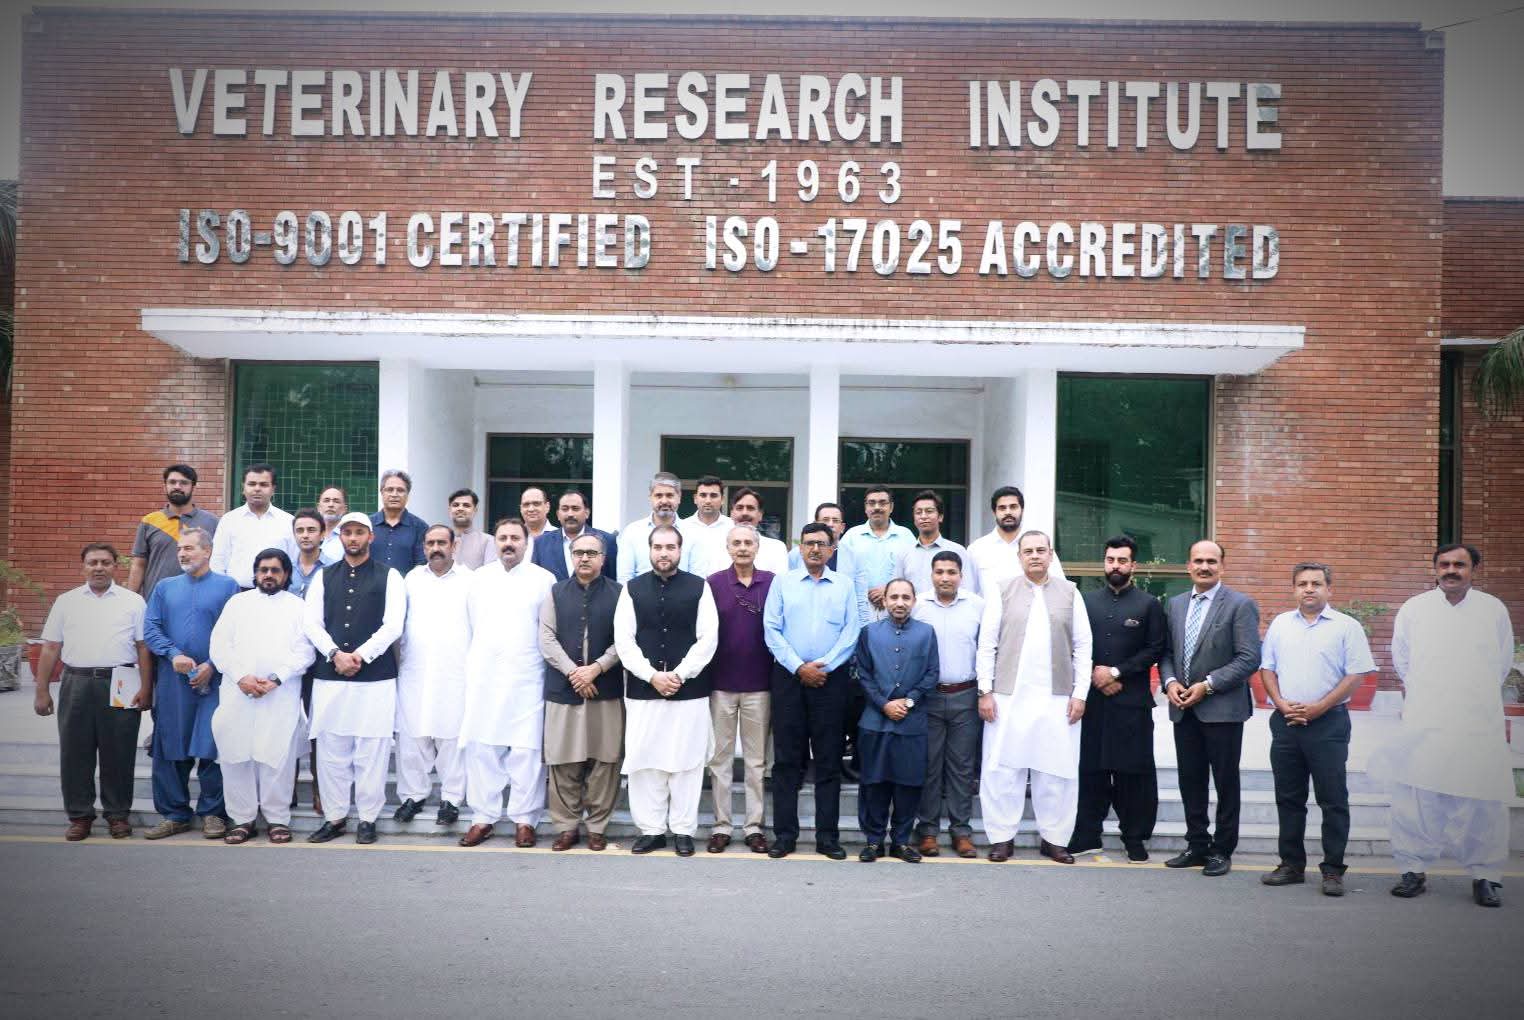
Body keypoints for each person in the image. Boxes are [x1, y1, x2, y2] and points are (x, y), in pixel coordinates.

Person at [1384, 544, 1514, 908]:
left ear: (1474, 569)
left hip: (1477, 719)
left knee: (1481, 799)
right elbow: (1402, 659)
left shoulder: (1492, 609)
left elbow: (1502, 662)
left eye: (1460, 564)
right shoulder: (1415, 609)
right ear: (1435, 569)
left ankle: (1485, 875)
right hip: (1427, 717)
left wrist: (1469, 698)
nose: (1451, 570)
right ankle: (1413, 870)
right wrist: (1429, 697)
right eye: (1444, 564)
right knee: (1417, 796)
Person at [1258, 562, 1376, 897]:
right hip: (1286, 723)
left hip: (1328, 723)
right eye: (1302, 584)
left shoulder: (1347, 626)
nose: (1309, 589)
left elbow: (1356, 674)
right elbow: (1267, 668)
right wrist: (1281, 703)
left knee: (1333, 798)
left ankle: (1333, 870)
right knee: (1289, 798)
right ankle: (1291, 865)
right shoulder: (1281, 624)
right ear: (1294, 589)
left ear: (1329, 589)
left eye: (1316, 583)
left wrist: (1319, 707)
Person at [977, 530, 1092, 865]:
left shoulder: (1070, 592)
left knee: (1056, 771)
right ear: (1019, 557)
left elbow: (1083, 646)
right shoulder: (1002, 590)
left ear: (1051, 554)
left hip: (1057, 697)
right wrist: (985, 690)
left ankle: (1055, 839)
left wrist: (1080, 693)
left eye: (1041, 550)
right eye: (1028, 551)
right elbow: (987, 644)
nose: (1035, 556)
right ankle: (1001, 838)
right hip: (1007, 695)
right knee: (1002, 770)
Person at [34, 544, 153, 840]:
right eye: (92, 562)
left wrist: (146, 687)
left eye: (105, 562)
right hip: (77, 682)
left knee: (119, 752)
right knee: (75, 752)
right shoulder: (67, 601)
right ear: (83, 567)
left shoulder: (133, 601)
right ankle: (80, 816)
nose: (99, 567)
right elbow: (51, 647)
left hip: (122, 681)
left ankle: (117, 815)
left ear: (115, 566)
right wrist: (41, 690)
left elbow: (143, 647)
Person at [1157, 539, 1262, 877]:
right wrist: (1170, 682)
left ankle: (1222, 849)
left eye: (1211, 561)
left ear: (1222, 567)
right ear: (1188, 566)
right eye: (1198, 561)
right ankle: (1197, 845)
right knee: (1191, 780)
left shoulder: (1240, 605)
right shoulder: (1175, 604)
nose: (1204, 567)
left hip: (1223, 709)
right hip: (1183, 708)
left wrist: (1208, 685)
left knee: (1225, 782)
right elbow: (1166, 652)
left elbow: (1249, 658)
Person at [614, 525, 719, 856]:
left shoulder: (699, 587)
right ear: (649, 550)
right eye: (658, 547)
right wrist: (651, 676)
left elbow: (708, 637)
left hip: (689, 690)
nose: (664, 553)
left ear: (679, 550)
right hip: (644, 691)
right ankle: (652, 830)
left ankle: (684, 830)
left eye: (670, 547)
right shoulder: (632, 589)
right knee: (646, 762)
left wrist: (679, 674)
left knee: (687, 763)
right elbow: (624, 640)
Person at [302, 512, 406, 845]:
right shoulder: (323, 576)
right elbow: (311, 623)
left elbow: (393, 625)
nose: (353, 538)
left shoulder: (390, 576)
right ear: (340, 537)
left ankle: (367, 818)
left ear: (370, 537)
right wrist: (335, 654)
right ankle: (334, 818)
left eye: (359, 532)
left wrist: (360, 655)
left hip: (375, 678)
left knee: (371, 752)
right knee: (331, 751)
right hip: (330, 676)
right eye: (347, 532)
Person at [763, 522, 862, 860]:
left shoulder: (844, 586)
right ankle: (785, 836)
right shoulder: (783, 583)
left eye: (821, 543)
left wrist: (825, 666)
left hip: (830, 681)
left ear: (832, 550)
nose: (815, 549)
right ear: (800, 548)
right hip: (789, 679)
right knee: (787, 761)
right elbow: (771, 629)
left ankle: (827, 838)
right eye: (809, 543)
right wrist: (798, 667)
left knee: (828, 760)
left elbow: (851, 632)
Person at [458, 517, 557, 848]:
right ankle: (483, 817)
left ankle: (525, 819)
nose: (509, 543)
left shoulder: (543, 579)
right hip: (485, 675)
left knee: (526, 751)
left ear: (527, 542)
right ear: (495, 543)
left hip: (527, 676)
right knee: (483, 748)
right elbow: (470, 625)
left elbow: (548, 629)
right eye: (503, 538)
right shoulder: (479, 579)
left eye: (516, 537)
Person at [208, 548, 316, 844]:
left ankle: (277, 819)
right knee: (236, 755)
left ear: (286, 574)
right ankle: (242, 819)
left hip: (280, 693)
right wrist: (241, 677)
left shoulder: (298, 607)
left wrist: (276, 679)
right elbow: (219, 645)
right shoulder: (237, 604)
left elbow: (305, 651)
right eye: (263, 570)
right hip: (238, 691)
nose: (268, 575)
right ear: (255, 574)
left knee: (277, 757)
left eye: (275, 570)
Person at [140, 528, 240, 840]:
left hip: (215, 680)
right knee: (171, 745)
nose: (182, 554)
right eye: (180, 549)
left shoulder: (228, 586)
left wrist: (213, 664)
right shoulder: (164, 587)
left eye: (189, 548)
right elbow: (151, 628)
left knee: (213, 744)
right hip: (174, 682)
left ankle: (213, 813)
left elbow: (237, 633)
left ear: (207, 551)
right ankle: (174, 814)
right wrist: (173, 654)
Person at [1073, 536, 1168, 863]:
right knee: (1091, 770)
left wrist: (1116, 673)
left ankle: (1134, 838)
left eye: (1122, 560)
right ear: (1104, 562)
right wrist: (1094, 675)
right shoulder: (1085, 602)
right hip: (1092, 702)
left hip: (1132, 703)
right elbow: (1074, 645)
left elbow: (1155, 649)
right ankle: (1087, 835)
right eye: (1111, 559)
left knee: (1133, 773)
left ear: (1133, 565)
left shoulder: (1148, 605)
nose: (1116, 566)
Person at [538, 532, 624, 851]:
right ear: (571, 556)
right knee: (563, 760)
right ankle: (567, 827)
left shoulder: (620, 593)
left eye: (591, 553)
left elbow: (625, 639)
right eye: (578, 553)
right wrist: (575, 673)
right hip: (565, 688)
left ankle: (597, 826)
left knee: (605, 760)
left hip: (606, 688)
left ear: (603, 558)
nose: (584, 558)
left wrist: (596, 668)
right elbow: (546, 638)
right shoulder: (555, 592)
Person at [855, 579, 940, 863]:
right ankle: (873, 841)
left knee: (909, 784)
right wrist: (884, 704)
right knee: (874, 782)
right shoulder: (869, 633)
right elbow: (863, 674)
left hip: (912, 722)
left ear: (914, 601)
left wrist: (908, 701)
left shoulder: (926, 633)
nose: (899, 602)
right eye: (894, 597)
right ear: (885, 601)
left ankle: (901, 842)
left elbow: (932, 673)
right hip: (875, 721)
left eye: (905, 597)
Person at [393, 525, 473, 827]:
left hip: (455, 671)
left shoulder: (470, 580)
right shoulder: (412, 579)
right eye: (430, 543)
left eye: (442, 542)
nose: (436, 548)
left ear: (454, 546)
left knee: (451, 736)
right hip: (415, 669)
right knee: (412, 736)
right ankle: (413, 796)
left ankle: (451, 799)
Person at [705, 524, 776, 854]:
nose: (743, 547)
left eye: (748, 542)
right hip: (720, 684)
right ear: (728, 547)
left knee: (756, 761)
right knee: (719, 759)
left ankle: (753, 826)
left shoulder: (772, 583)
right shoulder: (714, 584)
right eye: (737, 543)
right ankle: (721, 826)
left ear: (757, 547)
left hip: (760, 685)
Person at [911, 550, 984, 859]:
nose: (945, 578)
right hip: (927, 696)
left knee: (961, 768)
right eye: (939, 572)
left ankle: (961, 832)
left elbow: (987, 649)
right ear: (931, 575)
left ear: (961, 576)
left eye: (951, 572)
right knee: (928, 765)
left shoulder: (977, 606)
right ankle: (927, 831)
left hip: (965, 695)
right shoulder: (918, 606)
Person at [128, 463, 220, 600]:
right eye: (172, 482)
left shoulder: (211, 522)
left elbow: (218, 563)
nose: (177, 486)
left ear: (193, 487)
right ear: (164, 486)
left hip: (200, 600)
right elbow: (138, 565)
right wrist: (130, 600)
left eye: (184, 483)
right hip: (157, 600)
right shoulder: (149, 521)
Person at [210, 464, 298, 589]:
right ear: (243, 487)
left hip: (277, 593)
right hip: (236, 593)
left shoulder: (288, 521)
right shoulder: (229, 520)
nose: (257, 489)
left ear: (273, 489)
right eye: (251, 484)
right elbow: (217, 562)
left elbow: (295, 562)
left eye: (263, 484)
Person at [966, 485, 1065, 596]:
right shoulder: (977, 549)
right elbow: (968, 591)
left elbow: (1060, 586)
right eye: (1002, 508)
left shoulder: (1039, 546)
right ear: (994, 512)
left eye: (1013, 507)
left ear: (1022, 510)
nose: (1008, 512)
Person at [840, 485, 915, 624]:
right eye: (872, 503)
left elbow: (912, 573)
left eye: (882, 503)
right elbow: (843, 576)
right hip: (859, 609)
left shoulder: (906, 536)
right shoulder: (851, 536)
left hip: (897, 608)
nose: (877, 507)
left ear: (891, 507)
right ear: (865, 507)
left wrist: (888, 590)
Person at [896, 489, 979, 598]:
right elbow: (897, 590)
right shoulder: (903, 553)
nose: (923, 516)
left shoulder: (957, 551)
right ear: (914, 519)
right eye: (918, 512)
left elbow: (968, 590)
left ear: (940, 517)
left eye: (929, 511)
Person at [533, 489, 618, 582]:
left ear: (587, 513)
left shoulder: (607, 540)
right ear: (558, 514)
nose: (570, 514)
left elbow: (612, 580)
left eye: (575, 508)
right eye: (565, 509)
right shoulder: (541, 543)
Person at [617, 471, 688, 582]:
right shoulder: (632, 531)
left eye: (669, 495)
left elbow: (698, 577)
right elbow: (624, 578)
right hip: (641, 592)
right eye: (658, 496)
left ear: (679, 497)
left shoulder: (692, 532)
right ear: (650, 497)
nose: (664, 501)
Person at [369, 468, 428, 573]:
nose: (394, 494)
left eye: (400, 490)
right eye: (390, 490)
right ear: (382, 493)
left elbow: (422, 564)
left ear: (407, 495)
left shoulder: (420, 527)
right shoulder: (367, 525)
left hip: (406, 583)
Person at [679, 475, 734, 579]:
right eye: (703, 495)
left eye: (713, 495)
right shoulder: (682, 528)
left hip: (725, 586)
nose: (708, 500)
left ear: (722, 499)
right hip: (691, 586)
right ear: (695, 499)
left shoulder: (733, 527)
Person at [728, 486, 789, 576]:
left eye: (750, 508)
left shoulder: (776, 548)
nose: (745, 513)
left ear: (760, 515)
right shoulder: (718, 546)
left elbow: (781, 582)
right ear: (731, 514)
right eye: (739, 508)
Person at [448, 488, 498, 569]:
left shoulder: (488, 541)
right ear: (449, 510)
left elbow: (490, 572)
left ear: (475, 510)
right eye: (456, 505)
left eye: (466, 505)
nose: (460, 508)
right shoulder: (440, 541)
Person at [288, 508, 331, 599]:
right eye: (300, 530)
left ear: (322, 534)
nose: (305, 535)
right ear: (294, 535)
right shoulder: (286, 568)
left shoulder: (334, 567)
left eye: (311, 530)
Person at [316, 486, 348, 563]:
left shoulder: (349, 538)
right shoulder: (309, 534)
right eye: (326, 500)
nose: (331, 505)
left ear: (344, 509)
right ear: (319, 507)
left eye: (336, 501)